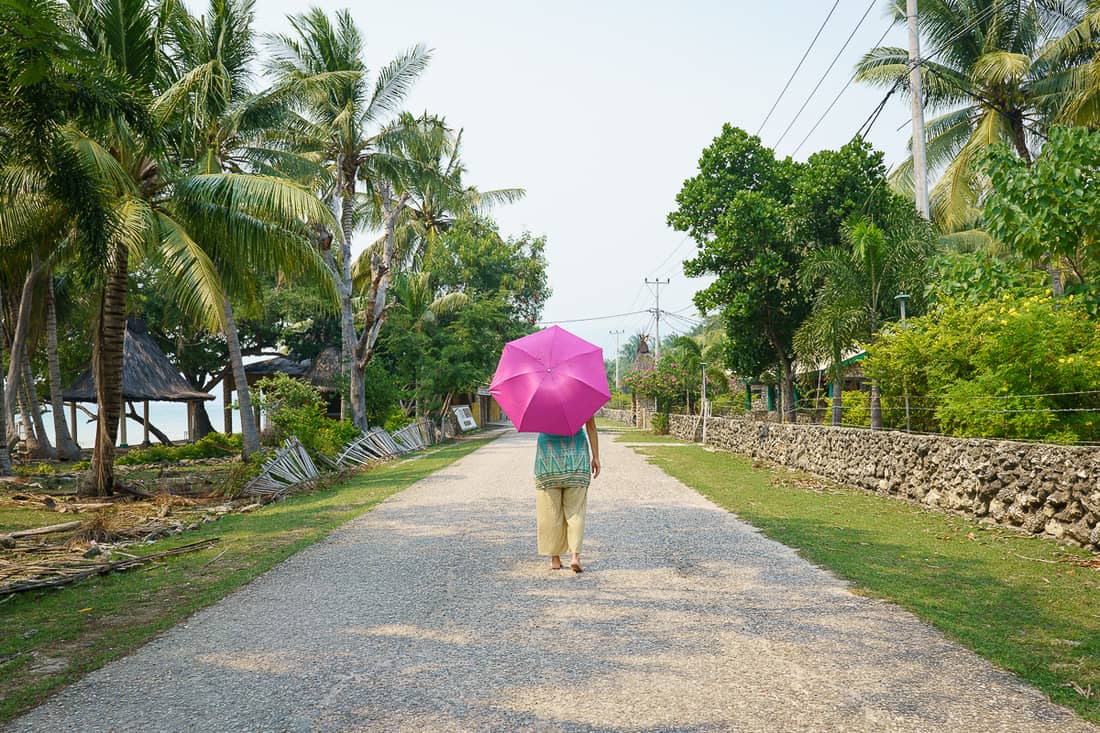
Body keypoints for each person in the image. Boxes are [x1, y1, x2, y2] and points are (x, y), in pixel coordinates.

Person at [533, 416, 600, 573]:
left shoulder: (541, 398)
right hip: (576, 458)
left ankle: (555, 559)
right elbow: (591, 427)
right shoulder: (581, 397)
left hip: (548, 459)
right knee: (576, 511)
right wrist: (596, 457)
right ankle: (575, 557)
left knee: (549, 511)